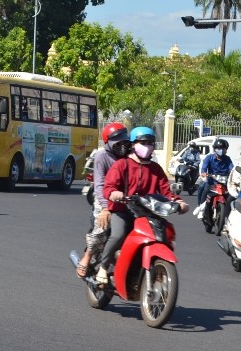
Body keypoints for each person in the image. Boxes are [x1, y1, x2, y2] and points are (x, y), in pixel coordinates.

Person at [96, 126, 189, 284]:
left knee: (165, 234)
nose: (147, 146)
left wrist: (179, 202)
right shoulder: (122, 165)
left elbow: (166, 191)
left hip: (147, 213)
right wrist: (114, 193)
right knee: (118, 234)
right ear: (133, 144)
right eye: (143, 143)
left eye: (150, 143)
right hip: (122, 210)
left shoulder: (155, 169)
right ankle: (103, 267)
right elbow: (108, 187)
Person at [75, 122, 130, 279]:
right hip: (105, 198)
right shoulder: (102, 156)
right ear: (108, 142)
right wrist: (106, 208)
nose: (122, 145)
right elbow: (99, 185)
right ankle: (87, 256)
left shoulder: (130, 155)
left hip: (127, 198)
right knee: (103, 225)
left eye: (124, 140)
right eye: (117, 141)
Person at [196, 138, 234, 217]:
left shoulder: (227, 159)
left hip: (224, 182)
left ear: (226, 150)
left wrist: (235, 174)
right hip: (211, 181)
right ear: (215, 149)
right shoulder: (209, 157)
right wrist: (204, 174)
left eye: (223, 149)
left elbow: (232, 169)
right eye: (219, 148)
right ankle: (200, 207)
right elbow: (204, 168)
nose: (221, 150)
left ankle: (230, 213)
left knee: (233, 194)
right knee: (202, 187)